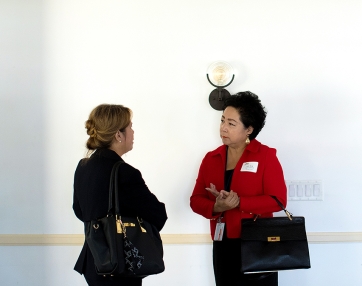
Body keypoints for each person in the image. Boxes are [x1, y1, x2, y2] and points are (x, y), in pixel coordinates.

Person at [190, 91, 287, 286]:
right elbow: (196, 200)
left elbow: (278, 200)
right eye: (222, 120)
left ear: (249, 129)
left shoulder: (266, 156)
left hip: (257, 243)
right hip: (223, 244)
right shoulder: (211, 158)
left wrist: (239, 202)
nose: (223, 128)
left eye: (231, 124)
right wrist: (217, 207)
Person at [73, 104, 167, 286]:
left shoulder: (83, 167)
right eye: (130, 127)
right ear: (118, 135)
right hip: (120, 262)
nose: (133, 132)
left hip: (93, 259)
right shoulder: (125, 172)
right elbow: (158, 215)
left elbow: (79, 211)